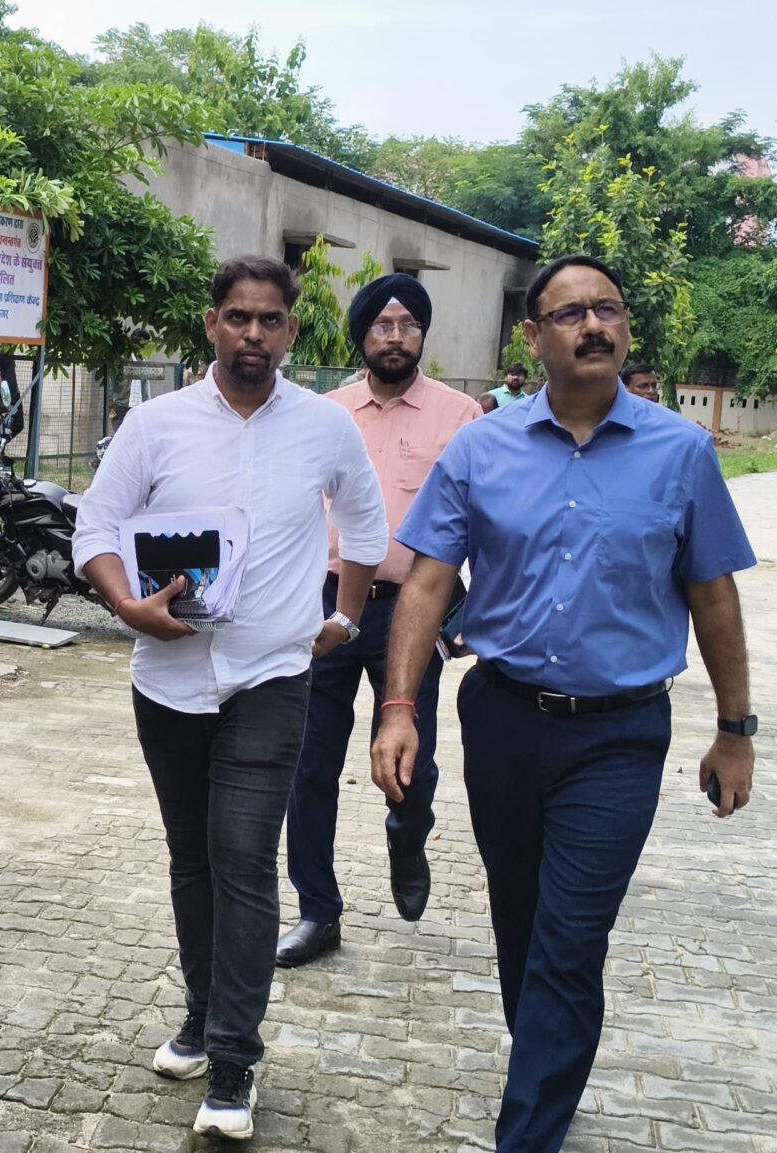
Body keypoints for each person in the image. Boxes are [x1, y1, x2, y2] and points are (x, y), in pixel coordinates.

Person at [371, 254, 759, 1153]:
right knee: (520, 921)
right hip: (503, 718)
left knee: (570, 937)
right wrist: (398, 707)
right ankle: (548, 1066)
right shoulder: (481, 448)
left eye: (608, 309)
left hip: (620, 735)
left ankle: (528, 1130)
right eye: (571, 313)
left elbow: (713, 595)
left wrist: (735, 729)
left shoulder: (680, 452)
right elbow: (427, 582)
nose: (594, 326)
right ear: (533, 336)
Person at [73, 255, 386, 1141]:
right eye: (239, 317)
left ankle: (235, 1058)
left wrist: (345, 616)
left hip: (272, 675)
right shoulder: (155, 424)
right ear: (212, 323)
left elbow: (366, 527)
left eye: (270, 319)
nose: (254, 333)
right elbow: (95, 527)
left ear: (291, 330)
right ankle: (202, 1013)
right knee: (192, 857)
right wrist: (124, 603)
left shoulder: (325, 427)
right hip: (168, 681)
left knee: (243, 856)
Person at [277, 274, 482, 968]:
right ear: (361, 336)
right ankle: (317, 910)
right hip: (324, 603)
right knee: (309, 762)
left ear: (423, 334)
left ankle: (408, 832)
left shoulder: (460, 417)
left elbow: (485, 520)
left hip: (413, 610)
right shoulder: (325, 413)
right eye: (381, 325)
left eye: (408, 325)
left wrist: (468, 614)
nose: (395, 337)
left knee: (410, 761)